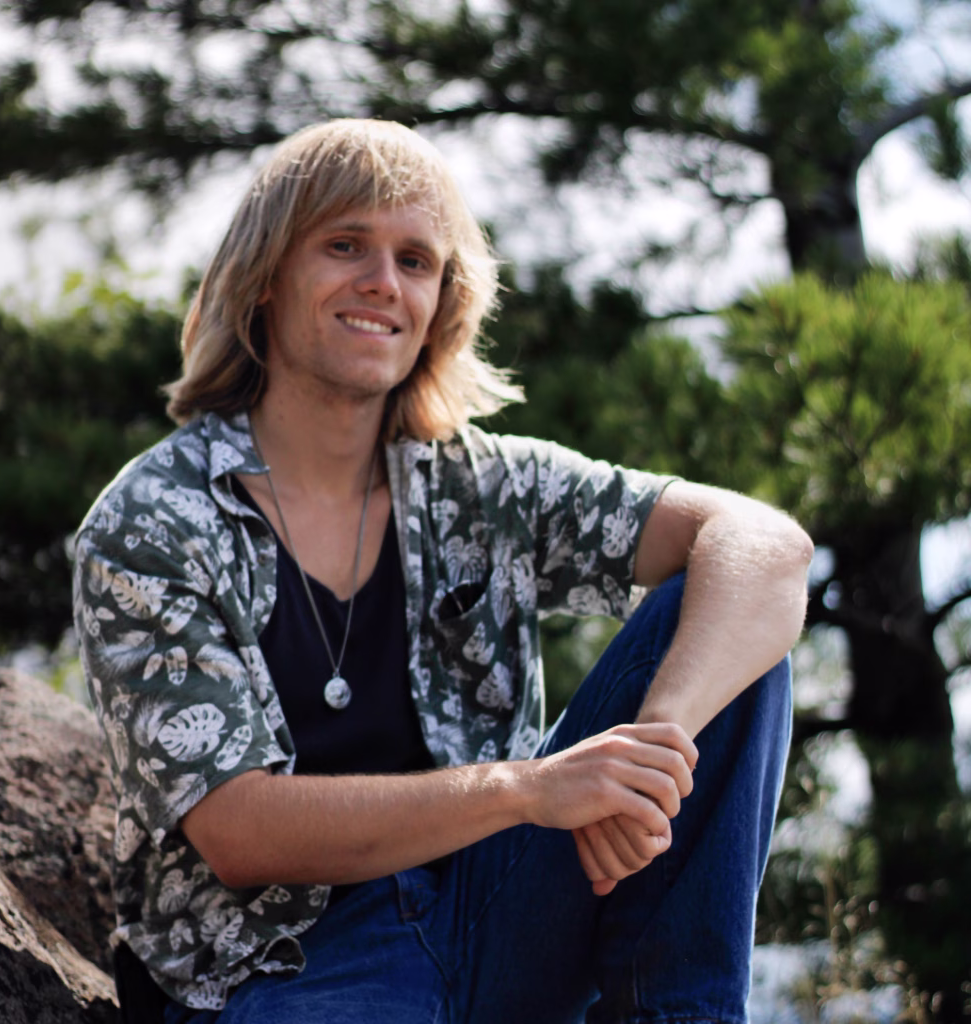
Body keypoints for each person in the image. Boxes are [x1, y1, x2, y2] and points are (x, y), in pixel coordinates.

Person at [72, 118, 813, 1024]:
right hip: (290, 971)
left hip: (502, 913)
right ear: (266, 275)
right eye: (346, 245)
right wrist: (527, 789)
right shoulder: (153, 520)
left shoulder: (483, 484)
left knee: (729, 627)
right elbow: (240, 830)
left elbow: (767, 547)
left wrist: (651, 751)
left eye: (416, 260)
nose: (383, 283)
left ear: (441, 302)